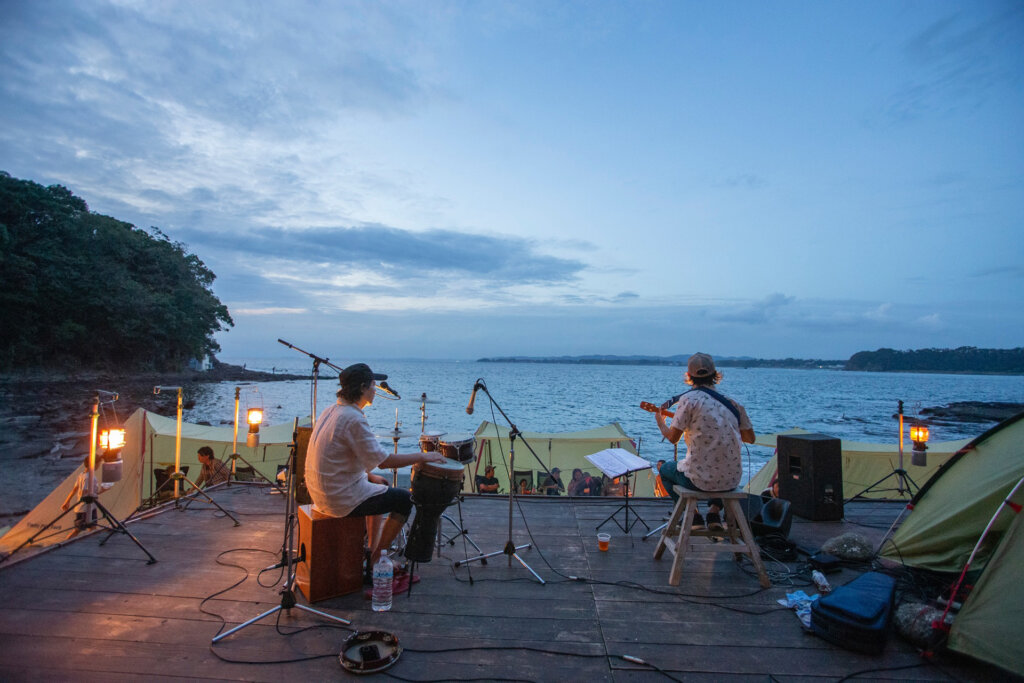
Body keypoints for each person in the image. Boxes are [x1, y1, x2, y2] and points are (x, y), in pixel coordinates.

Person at [305, 363, 446, 565]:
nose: (376, 390)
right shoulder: (352, 418)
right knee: (405, 500)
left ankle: (373, 547)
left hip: (321, 491)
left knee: (380, 485)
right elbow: (385, 461)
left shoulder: (331, 410)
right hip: (338, 498)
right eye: (373, 385)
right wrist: (423, 456)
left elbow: (342, 457)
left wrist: (369, 476)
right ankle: (377, 559)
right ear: (362, 388)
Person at [656, 352, 755, 531]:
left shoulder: (688, 400)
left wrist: (660, 421)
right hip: (731, 479)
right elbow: (750, 438)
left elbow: (673, 438)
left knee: (665, 470)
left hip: (700, 481)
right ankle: (714, 511)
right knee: (718, 467)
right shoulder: (733, 404)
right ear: (715, 375)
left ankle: (693, 516)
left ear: (688, 376)